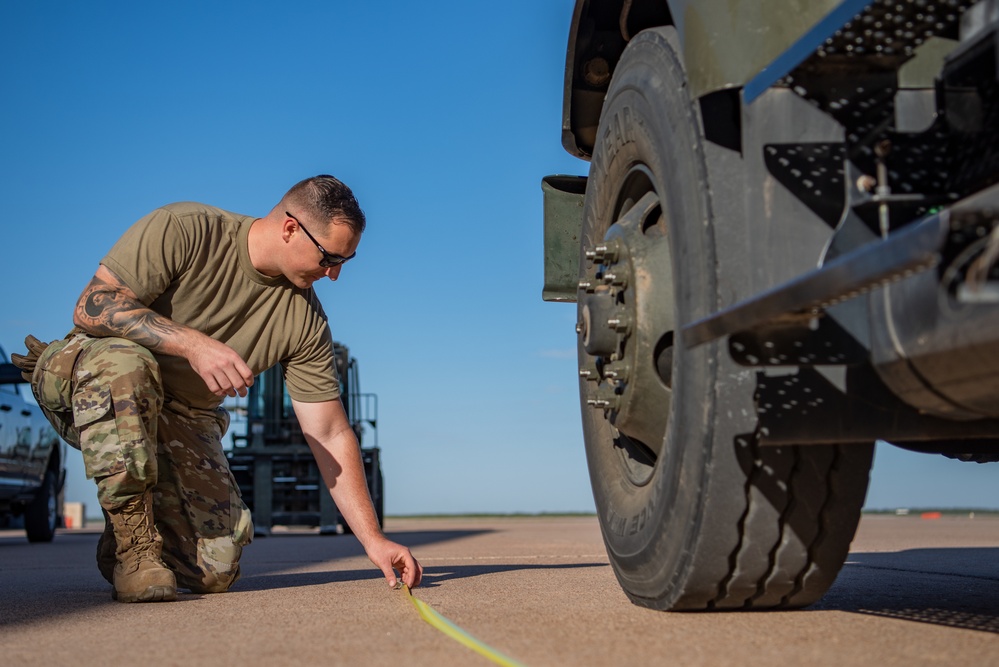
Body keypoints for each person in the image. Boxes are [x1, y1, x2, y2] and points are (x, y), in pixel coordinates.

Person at [13, 175, 422, 602]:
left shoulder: (306, 322)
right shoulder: (187, 228)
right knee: (128, 364)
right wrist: (191, 344)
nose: (334, 274)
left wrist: (373, 540)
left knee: (215, 569)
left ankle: (127, 533)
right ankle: (134, 548)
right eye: (329, 258)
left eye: (345, 261)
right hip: (92, 382)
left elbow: (330, 432)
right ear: (289, 228)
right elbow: (92, 305)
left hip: (182, 416)